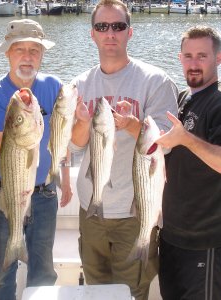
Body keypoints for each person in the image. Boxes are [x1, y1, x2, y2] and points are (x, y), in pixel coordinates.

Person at [69, 0, 178, 299]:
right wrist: (80, 123)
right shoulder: (80, 83)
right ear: (92, 34)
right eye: (102, 27)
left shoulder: (156, 81)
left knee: (133, 291)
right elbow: (75, 148)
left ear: (130, 32)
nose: (110, 33)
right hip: (91, 208)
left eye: (118, 26)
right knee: (95, 287)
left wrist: (132, 125)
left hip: (136, 211)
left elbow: (166, 143)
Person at [156, 26, 221, 299]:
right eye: (188, 56)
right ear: (179, 59)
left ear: (219, 58)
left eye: (202, 56)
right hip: (172, 234)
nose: (194, 63)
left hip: (205, 239)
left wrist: (186, 139)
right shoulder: (183, 99)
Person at [0, 19, 73, 300]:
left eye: (34, 50)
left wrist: (65, 180)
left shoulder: (55, 86)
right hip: (6, 190)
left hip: (45, 194)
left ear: (42, 54)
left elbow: (62, 139)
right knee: (4, 273)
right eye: (19, 49)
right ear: (7, 53)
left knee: (43, 269)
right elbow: (7, 148)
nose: (27, 56)